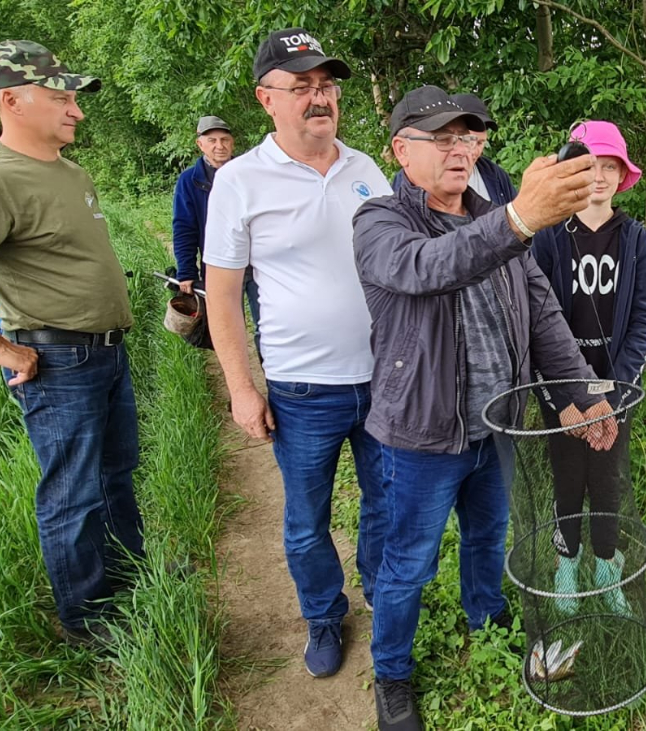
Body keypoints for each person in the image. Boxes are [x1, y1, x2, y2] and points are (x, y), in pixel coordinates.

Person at [354, 85, 618, 731]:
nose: (460, 149)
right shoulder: (381, 222)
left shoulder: (498, 218)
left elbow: (544, 313)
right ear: (400, 148)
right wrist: (519, 219)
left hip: (498, 427)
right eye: (442, 138)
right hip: (421, 435)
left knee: (486, 536)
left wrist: (580, 392)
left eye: (469, 138)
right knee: (408, 561)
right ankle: (391, 673)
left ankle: (486, 614)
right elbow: (430, 267)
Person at [0, 40, 144, 648]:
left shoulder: (69, 172)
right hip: (56, 360)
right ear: (13, 101)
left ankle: (129, 579)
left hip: (106, 351)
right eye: (60, 97)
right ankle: (86, 619)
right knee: (72, 493)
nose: (75, 109)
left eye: (73, 97)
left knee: (116, 475)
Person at [202, 27, 393, 679]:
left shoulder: (366, 170)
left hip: (383, 380)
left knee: (386, 500)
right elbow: (221, 297)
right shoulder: (240, 181)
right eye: (302, 87)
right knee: (307, 517)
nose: (320, 98)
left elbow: (400, 268)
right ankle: (322, 613)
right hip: (301, 389)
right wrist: (242, 386)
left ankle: (381, 591)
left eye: (327, 85)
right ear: (266, 99)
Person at [530, 120, 646, 616]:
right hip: (562, 393)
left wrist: (614, 396)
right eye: (588, 167)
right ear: (571, 173)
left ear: (622, 176)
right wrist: (565, 400)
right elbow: (535, 325)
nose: (598, 177)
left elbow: (643, 320)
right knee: (567, 477)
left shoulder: (635, 240)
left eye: (609, 167)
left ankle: (608, 570)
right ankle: (567, 565)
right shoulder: (548, 239)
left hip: (615, 389)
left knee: (607, 482)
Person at [172, 115, 261, 351]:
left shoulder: (249, 174)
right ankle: (239, 385)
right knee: (228, 329)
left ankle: (274, 382)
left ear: (232, 143)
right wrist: (186, 272)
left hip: (258, 263)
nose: (219, 146)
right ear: (200, 144)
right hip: (219, 267)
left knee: (269, 328)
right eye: (212, 140)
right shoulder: (189, 181)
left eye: (224, 139)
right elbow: (184, 228)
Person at [391, 92, 516, 205]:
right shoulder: (387, 215)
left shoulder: (493, 173)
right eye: (443, 139)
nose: (463, 151)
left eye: (472, 141)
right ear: (402, 150)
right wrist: (515, 219)